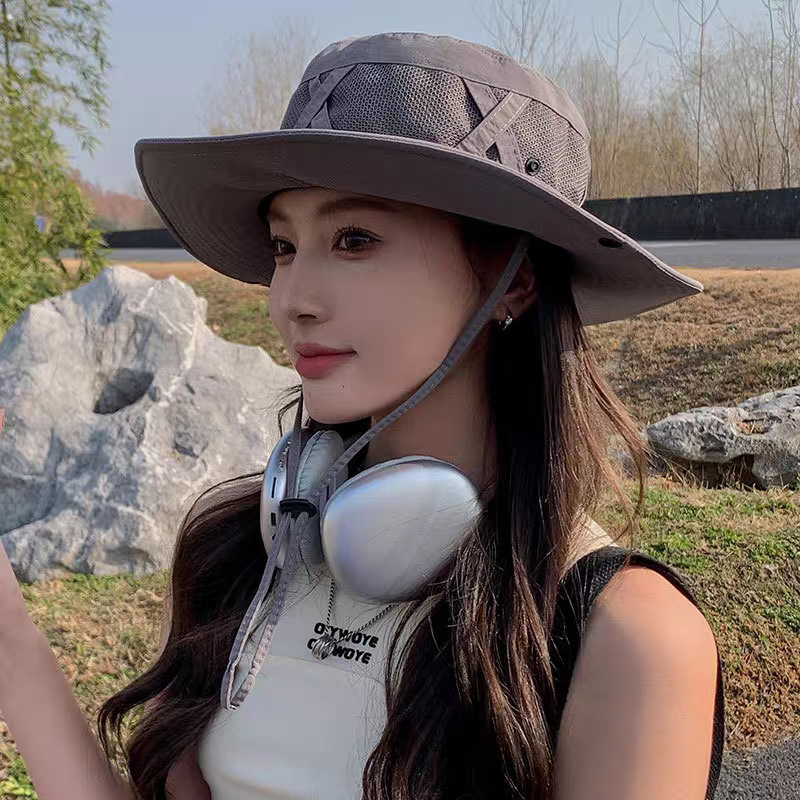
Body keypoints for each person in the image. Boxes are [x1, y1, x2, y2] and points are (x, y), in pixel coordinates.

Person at [0, 31, 724, 800]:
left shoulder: (627, 638)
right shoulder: (238, 554)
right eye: (284, 246)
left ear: (512, 280)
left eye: (354, 239)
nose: (291, 299)